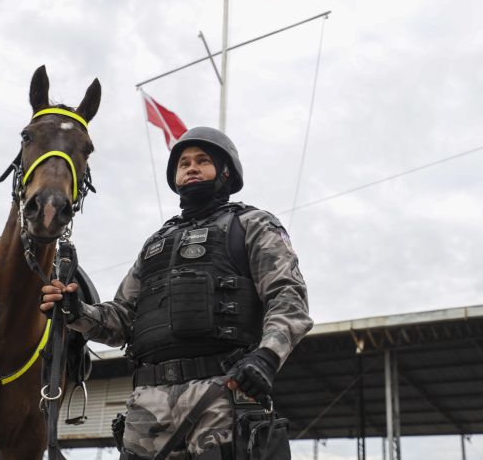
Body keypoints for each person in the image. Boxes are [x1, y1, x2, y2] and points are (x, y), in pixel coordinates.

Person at [40, 126, 313, 459]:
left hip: (223, 392)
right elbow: (122, 319)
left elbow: (288, 298)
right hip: (148, 404)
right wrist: (77, 311)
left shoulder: (253, 225)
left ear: (225, 172)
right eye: (184, 163)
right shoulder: (156, 243)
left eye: (202, 161)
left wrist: (267, 358)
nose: (191, 168)